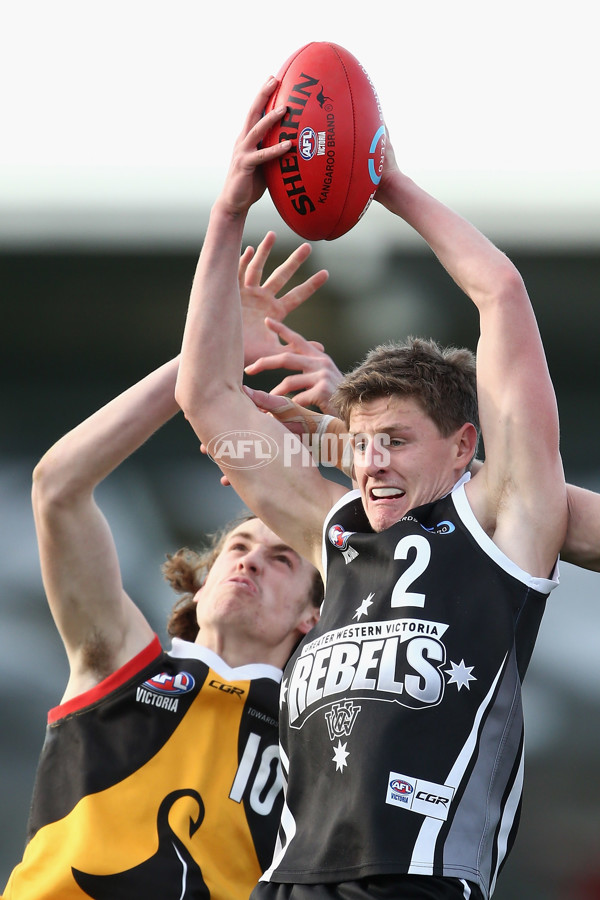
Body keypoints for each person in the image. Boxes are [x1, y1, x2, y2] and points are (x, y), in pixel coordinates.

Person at [174, 76, 569, 900]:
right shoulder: (335, 527)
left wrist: (386, 181)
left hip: (415, 879)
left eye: (396, 441)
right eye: (359, 444)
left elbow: (500, 294)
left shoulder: (504, 523)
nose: (373, 463)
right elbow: (207, 399)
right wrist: (227, 213)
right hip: (287, 885)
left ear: (465, 446)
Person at [1, 235, 328, 900]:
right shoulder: (121, 663)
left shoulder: (325, 734)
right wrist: (206, 359)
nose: (249, 562)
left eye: (281, 557)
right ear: (202, 581)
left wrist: (354, 425)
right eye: (237, 549)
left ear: (313, 614)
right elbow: (58, 488)